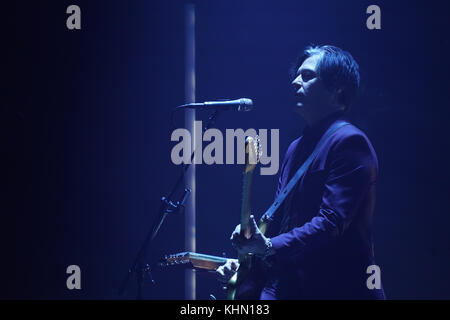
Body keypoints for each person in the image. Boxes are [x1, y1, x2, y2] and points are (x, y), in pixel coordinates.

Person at [216, 45, 386, 299]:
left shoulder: (349, 142)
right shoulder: (297, 147)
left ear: (337, 87)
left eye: (307, 76)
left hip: (335, 289)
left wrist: (269, 246)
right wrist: (249, 255)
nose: (295, 81)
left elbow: (331, 222)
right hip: (289, 285)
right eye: (297, 75)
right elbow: (282, 225)